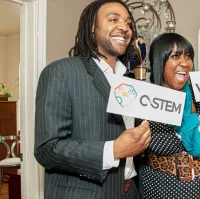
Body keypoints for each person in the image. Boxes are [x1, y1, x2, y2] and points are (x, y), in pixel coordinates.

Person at [34, 1, 151, 199]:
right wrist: (113, 150)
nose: (124, 27)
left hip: (130, 191)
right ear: (92, 27)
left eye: (128, 23)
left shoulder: (129, 82)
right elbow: (47, 150)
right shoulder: (60, 72)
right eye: (113, 19)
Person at [138, 33, 200, 199]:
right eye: (175, 56)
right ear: (159, 61)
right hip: (160, 190)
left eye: (188, 56)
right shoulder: (145, 100)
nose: (184, 63)